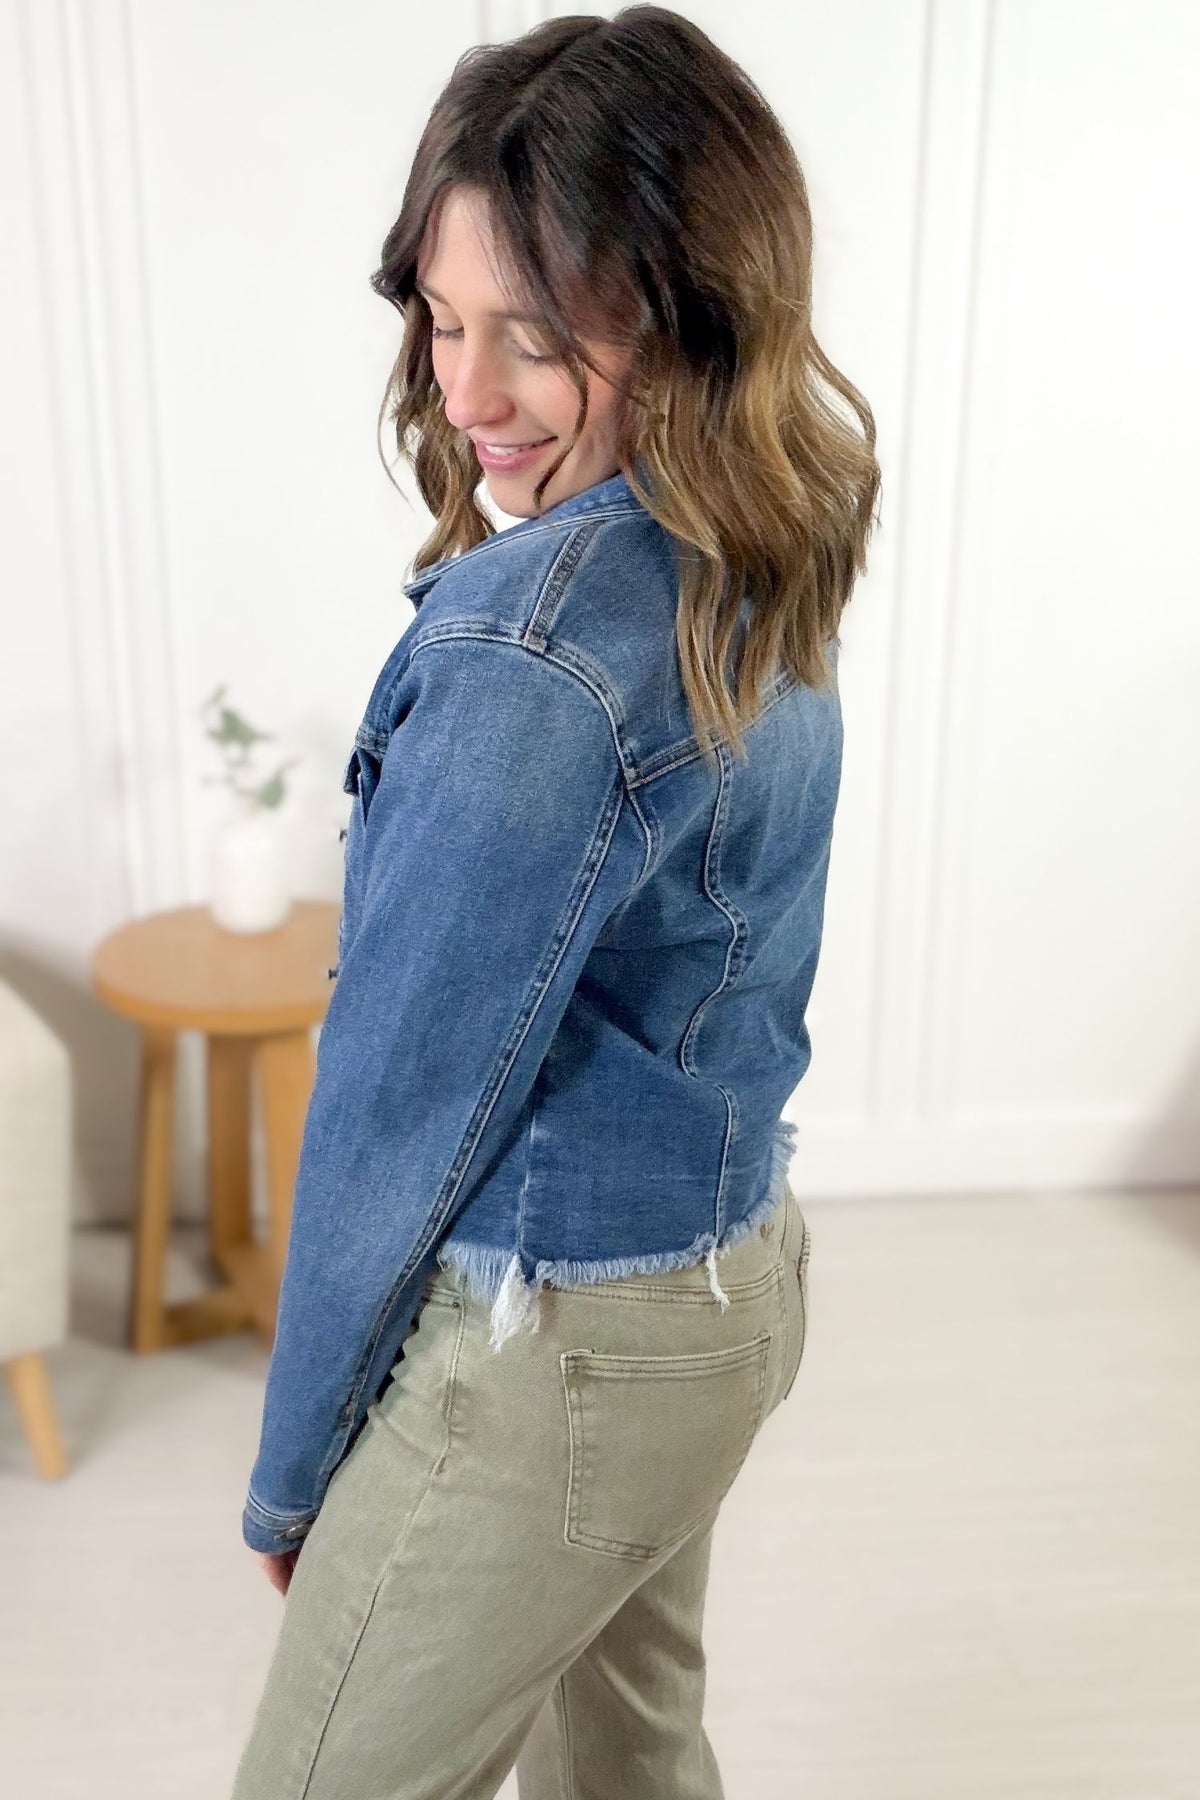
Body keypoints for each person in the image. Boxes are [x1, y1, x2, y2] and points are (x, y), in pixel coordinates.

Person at [232, 6, 879, 1795]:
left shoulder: (534, 655)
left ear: (685, 315)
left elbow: (397, 1100)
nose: (466, 392)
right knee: (636, 1766)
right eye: (443, 322)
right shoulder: (752, 542)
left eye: (533, 336)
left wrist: (299, 1470)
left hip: (564, 1348)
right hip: (729, 1293)